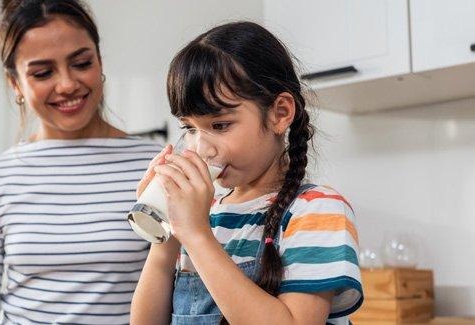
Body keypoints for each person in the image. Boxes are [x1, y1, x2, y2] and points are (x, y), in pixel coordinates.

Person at [129, 21, 363, 325]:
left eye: (220, 125)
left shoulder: (317, 210)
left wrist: (198, 236)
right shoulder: (203, 214)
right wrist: (167, 232)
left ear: (280, 113)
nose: (201, 148)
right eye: (189, 128)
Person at [0, 0, 162, 324]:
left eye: (81, 63)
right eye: (43, 72)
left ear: (99, 60)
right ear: (15, 84)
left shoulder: (153, 166)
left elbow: (178, 294)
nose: (67, 84)